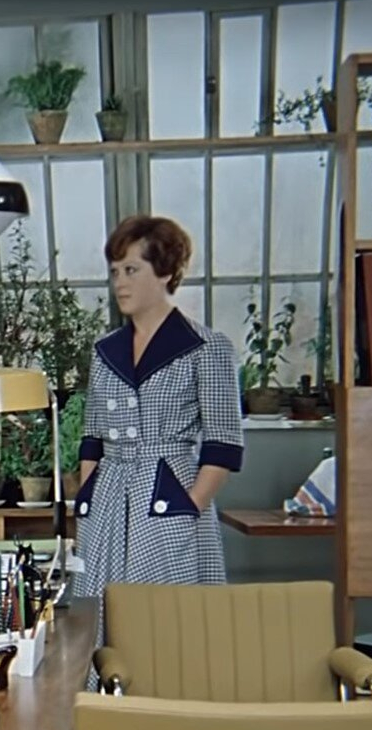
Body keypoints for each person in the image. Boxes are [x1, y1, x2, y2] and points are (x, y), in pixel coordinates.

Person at [71, 215, 244, 624]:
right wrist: (87, 500)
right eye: (115, 271)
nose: (120, 283)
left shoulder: (206, 347)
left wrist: (188, 509)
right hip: (108, 500)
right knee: (103, 619)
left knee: (169, 623)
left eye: (131, 270)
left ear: (165, 272)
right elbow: (92, 439)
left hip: (168, 493)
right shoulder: (104, 351)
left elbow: (223, 446)